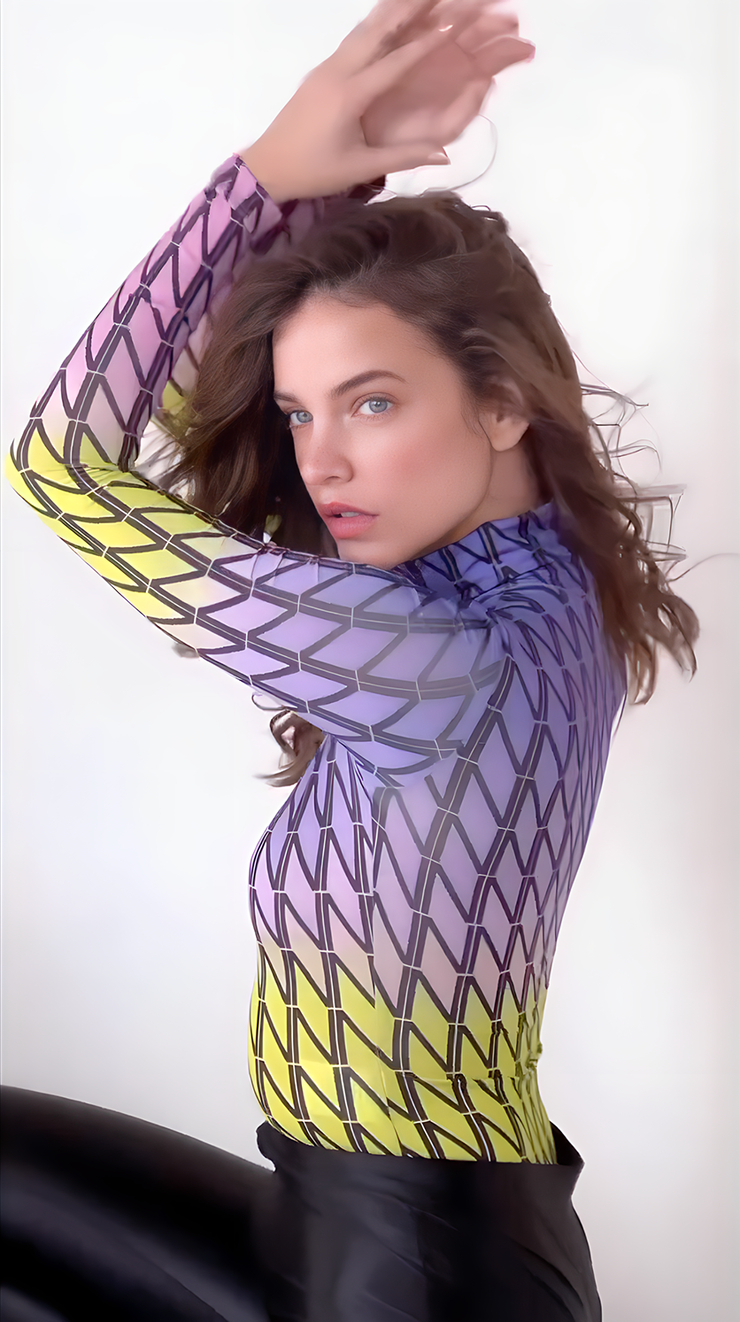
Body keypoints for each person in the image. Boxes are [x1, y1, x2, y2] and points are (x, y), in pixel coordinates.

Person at [1, 1, 699, 1320]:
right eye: (298, 413)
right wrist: (334, 198)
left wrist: (267, 173)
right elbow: (190, 396)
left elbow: (61, 465)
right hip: (372, 1216)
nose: (320, 461)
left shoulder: (433, 655)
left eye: (373, 403)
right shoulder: (538, 583)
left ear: (504, 400)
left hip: (420, 1265)